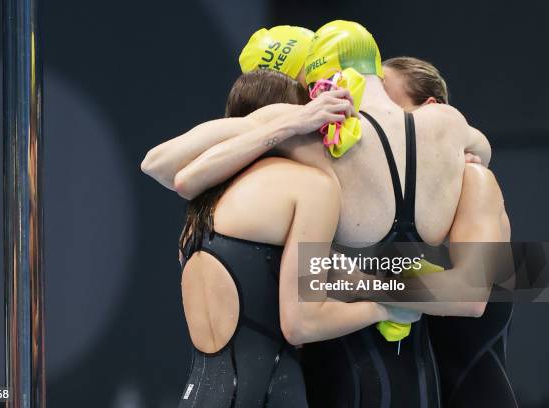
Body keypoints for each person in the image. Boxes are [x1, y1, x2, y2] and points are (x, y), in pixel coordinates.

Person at [142, 21, 509, 407]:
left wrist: (344, 276)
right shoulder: (313, 173)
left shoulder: (468, 179)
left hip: (347, 378)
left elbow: (503, 284)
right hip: (402, 380)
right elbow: (483, 288)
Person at [176, 69, 420, 408]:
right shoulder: (309, 186)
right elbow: (302, 323)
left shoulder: (202, 208)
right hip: (270, 395)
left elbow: (274, 277)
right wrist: (383, 308)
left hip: (198, 395)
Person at [382, 56, 517, 408]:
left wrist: (348, 284)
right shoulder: (382, 206)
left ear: (432, 110)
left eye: (387, 103)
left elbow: (471, 298)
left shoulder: (473, 182)